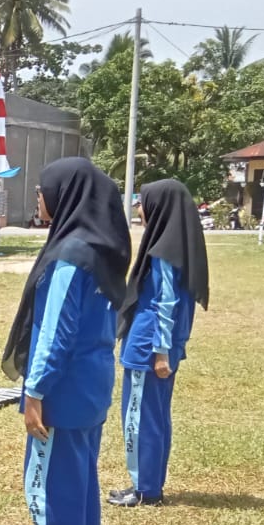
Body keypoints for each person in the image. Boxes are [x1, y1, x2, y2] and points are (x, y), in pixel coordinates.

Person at [2, 157, 130, 525]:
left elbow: (56, 332)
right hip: (93, 384)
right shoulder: (101, 251)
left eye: (42, 190)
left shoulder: (70, 256)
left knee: (53, 484)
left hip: (62, 388)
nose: (39, 197)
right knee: (81, 481)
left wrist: (34, 392)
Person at [111, 178, 209, 508]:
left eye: (143, 201)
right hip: (159, 347)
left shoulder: (164, 251)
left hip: (148, 349)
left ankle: (143, 489)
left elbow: (167, 303)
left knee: (139, 417)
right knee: (156, 416)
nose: (139, 208)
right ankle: (150, 484)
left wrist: (161, 352)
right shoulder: (179, 245)